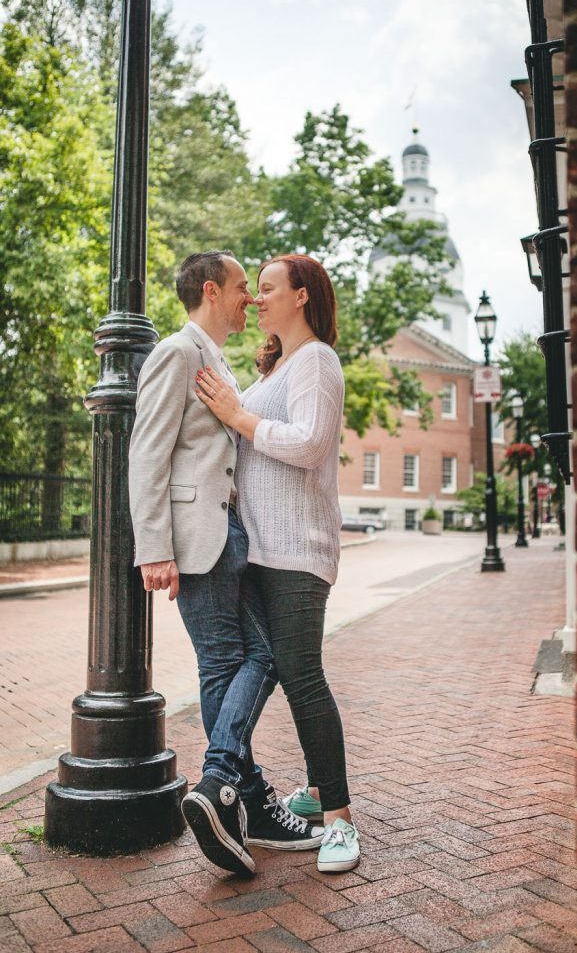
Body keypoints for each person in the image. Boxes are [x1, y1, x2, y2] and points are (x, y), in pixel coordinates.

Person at [128, 249, 323, 878]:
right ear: (212, 291)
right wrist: (154, 546)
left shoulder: (218, 362)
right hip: (196, 537)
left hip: (229, 534)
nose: (251, 300)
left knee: (248, 659)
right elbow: (147, 454)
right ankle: (228, 787)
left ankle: (236, 794)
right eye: (244, 288)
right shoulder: (177, 353)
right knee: (237, 660)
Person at [195, 253, 360, 873]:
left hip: (298, 550)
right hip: (255, 551)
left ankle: (340, 821)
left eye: (268, 289)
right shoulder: (275, 367)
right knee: (279, 672)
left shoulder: (316, 360)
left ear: (302, 298)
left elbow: (312, 443)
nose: (258, 299)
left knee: (302, 674)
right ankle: (315, 797)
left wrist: (238, 415)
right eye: (255, 290)